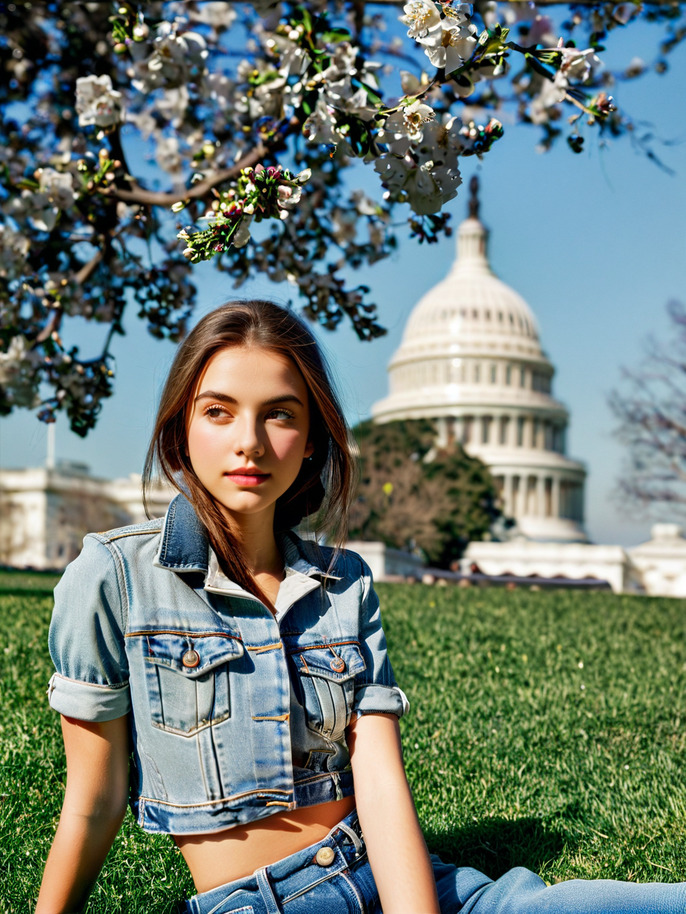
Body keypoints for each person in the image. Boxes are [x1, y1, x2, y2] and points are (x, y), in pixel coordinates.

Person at [38, 300, 686, 914]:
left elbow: (379, 784)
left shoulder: (344, 583)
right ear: (181, 426)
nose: (250, 442)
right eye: (218, 411)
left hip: (390, 872)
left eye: (280, 414)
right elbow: (94, 802)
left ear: (312, 439)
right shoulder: (114, 576)